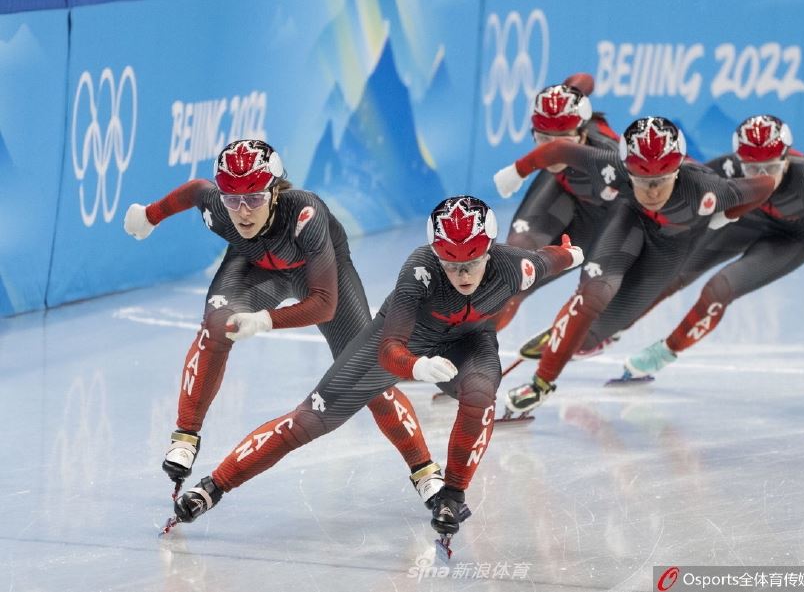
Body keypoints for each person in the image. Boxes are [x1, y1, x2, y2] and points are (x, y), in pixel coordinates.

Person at [169, 196, 583, 545]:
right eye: (450, 263)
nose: (461, 274)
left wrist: (572, 252)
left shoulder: (516, 267)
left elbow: (549, 258)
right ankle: (215, 485)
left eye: (471, 263)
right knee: (308, 421)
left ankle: (451, 496)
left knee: (479, 396)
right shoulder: (419, 271)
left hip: (470, 345)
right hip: (400, 345)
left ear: (489, 251)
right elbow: (389, 351)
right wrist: (417, 366)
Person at [123, 139, 435, 502]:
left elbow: (324, 304)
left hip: (317, 277)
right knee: (216, 325)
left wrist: (264, 321)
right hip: (254, 268)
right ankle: (185, 436)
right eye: (233, 199)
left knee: (368, 380)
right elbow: (195, 191)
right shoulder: (221, 207)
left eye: (254, 198)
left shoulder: (306, 214)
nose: (242, 212)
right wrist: (149, 215)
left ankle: (426, 471)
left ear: (275, 192)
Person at [493, 116, 775, 415]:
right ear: (627, 169)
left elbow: (765, 185)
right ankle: (540, 384)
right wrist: (517, 171)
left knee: (597, 331)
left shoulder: (707, 190)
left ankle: (574, 332)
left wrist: (730, 214)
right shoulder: (612, 166)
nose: (652, 191)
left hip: (672, 246)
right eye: (642, 181)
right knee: (592, 294)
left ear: (677, 171)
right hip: (630, 220)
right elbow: (558, 149)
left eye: (660, 181)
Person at [622, 114, 804, 378]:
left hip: (794, 238)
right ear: (739, 161)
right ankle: (615, 326)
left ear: (786, 159)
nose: (762, 177)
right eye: (751, 168)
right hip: (749, 218)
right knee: (675, 269)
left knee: (720, 288)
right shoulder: (727, 167)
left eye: (770, 167)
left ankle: (662, 354)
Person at [490, 73, 622, 335]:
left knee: (529, 281)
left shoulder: (610, 155)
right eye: (543, 140)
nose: (551, 151)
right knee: (513, 268)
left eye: (563, 141)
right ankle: (457, 342)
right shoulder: (566, 107)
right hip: (560, 191)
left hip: (600, 219)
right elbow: (581, 81)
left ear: (584, 135)